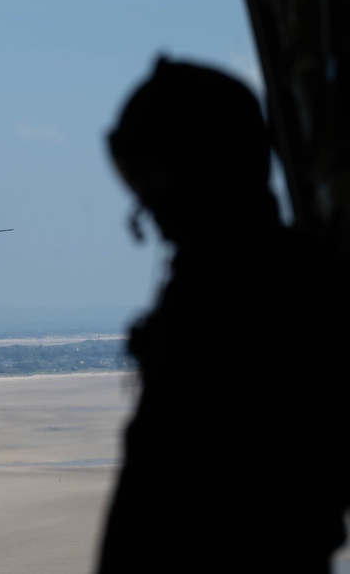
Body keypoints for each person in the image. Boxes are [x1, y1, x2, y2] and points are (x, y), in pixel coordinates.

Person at [96, 56, 350, 573]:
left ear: (190, 173)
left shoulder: (229, 297)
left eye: (153, 177)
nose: (146, 206)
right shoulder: (290, 279)